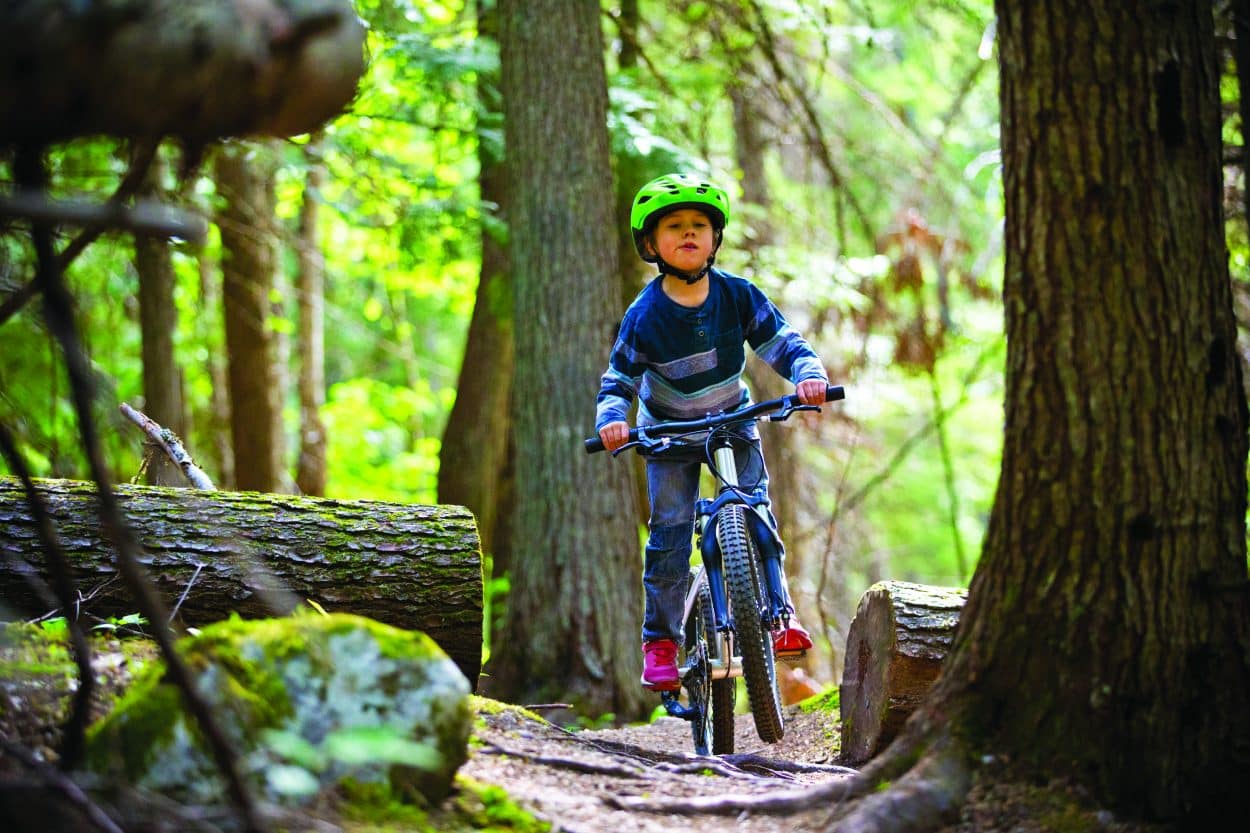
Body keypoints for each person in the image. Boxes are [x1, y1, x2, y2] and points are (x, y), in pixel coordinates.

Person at [595, 173, 829, 690]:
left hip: (731, 420)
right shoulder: (645, 315)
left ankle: (778, 615)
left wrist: (808, 375)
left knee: (756, 506)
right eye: (674, 226)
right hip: (668, 434)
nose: (688, 234)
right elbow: (619, 380)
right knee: (671, 532)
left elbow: (784, 342)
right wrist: (613, 419)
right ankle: (660, 641)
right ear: (651, 244)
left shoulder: (737, 296)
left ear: (715, 238)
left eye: (699, 225)